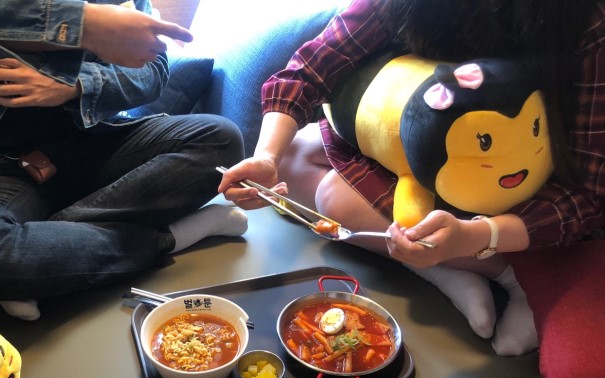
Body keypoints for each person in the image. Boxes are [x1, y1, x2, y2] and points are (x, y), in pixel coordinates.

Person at [218, 0, 605, 356]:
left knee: (336, 197)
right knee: (291, 155)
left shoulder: (586, 22)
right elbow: (311, 67)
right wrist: (266, 157)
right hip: (419, 159)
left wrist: (478, 235)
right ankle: (441, 268)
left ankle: (511, 276)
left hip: (512, 187)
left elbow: (589, 195)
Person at [0, 0, 247, 321]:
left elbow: (153, 69)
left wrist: (76, 86)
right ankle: (171, 237)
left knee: (221, 141)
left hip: (89, 144)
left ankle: (36, 259)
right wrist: (82, 24)